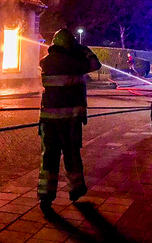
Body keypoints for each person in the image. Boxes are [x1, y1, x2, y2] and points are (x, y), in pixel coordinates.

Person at [38, 28, 101, 213]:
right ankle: (76, 190)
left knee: (48, 158)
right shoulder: (75, 63)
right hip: (70, 121)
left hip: (48, 121)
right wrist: (81, 48)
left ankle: (45, 196)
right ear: (69, 44)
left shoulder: (45, 62)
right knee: (72, 155)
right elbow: (95, 64)